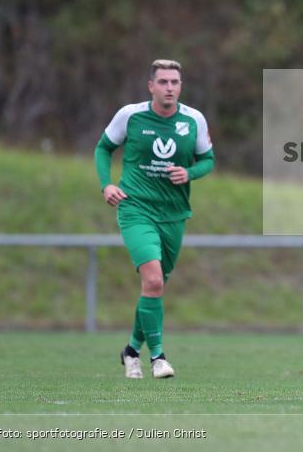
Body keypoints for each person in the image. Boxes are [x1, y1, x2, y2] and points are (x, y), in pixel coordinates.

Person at [95, 59, 214, 379]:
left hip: (174, 214)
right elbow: (103, 148)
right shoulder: (130, 115)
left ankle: (131, 350)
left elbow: (208, 160)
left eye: (174, 82)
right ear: (151, 86)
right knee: (153, 280)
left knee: (155, 287)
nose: (169, 88)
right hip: (136, 208)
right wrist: (106, 183)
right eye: (163, 82)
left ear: (181, 86)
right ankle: (158, 358)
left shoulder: (193, 120)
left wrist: (189, 172)